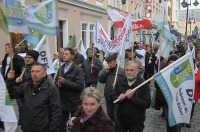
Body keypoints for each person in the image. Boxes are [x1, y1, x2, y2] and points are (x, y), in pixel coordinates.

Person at [6, 63, 62, 132]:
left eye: (37, 71)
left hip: (43, 129)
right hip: (27, 128)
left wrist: (53, 129)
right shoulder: (26, 86)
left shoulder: (51, 88)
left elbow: (56, 112)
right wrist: (9, 81)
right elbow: (12, 94)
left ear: (44, 74)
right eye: (32, 71)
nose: (34, 74)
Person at [111, 60, 151, 132]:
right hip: (121, 120)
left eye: (131, 70)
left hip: (136, 122)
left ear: (137, 71)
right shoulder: (120, 81)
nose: (128, 72)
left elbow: (147, 104)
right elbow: (112, 97)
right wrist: (118, 98)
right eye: (127, 70)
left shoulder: (143, 84)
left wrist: (132, 98)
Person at [55, 47, 84, 132]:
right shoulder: (61, 68)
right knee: (61, 124)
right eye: (63, 54)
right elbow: (56, 82)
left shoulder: (77, 70)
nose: (63, 55)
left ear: (72, 56)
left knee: (74, 124)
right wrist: (57, 84)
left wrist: (65, 82)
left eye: (66, 54)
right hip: (62, 101)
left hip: (74, 102)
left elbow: (80, 86)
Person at [155, 54, 181, 132]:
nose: (172, 64)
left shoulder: (181, 72)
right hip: (166, 100)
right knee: (169, 120)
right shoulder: (164, 71)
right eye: (170, 62)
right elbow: (157, 86)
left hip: (177, 101)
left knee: (176, 122)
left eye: (174, 62)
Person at [1, 43, 25, 126]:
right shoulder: (5, 58)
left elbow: (22, 70)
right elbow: (4, 69)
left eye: (6, 48)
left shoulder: (18, 58)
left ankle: (22, 119)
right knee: (6, 101)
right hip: (7, 82)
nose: (5, 49)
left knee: (19, 103)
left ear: (11, 48)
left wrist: (18, 78)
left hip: (16, 83)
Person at [99, 54, 125, 122]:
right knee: (110, 114)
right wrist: (104, 72)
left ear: (115, 62)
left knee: (117, 114)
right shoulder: (107, 71)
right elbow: (101, 81)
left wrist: (118, 85)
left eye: (110, 62)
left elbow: (125, 84)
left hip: (117, 96)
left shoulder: (121, 71)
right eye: (108, 63)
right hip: (108, 96)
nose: (109, 64)